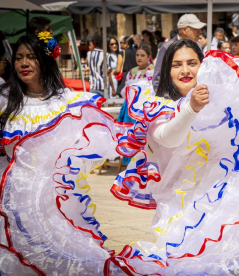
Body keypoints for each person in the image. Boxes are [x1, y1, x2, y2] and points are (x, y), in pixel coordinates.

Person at [109, 38, 239, 275]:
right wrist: (191, 108)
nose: (185, 70)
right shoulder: (155, 104)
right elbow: (167, 137)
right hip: (177, 205)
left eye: (192, 63)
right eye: (176, 64)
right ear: (166, 70)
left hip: (221, 197)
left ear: (203, 66)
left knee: (222, 261)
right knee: (180, 262)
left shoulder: (222, 101)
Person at [0, 34, 125, 275]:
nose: (24, 63)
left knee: (63, 258)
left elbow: (96, 133)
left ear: (46, 60)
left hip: (58, 197)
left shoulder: (65, 101)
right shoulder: (5, 99)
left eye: (31, 57)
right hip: (14, 197)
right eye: (19, 58)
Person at [153, 13, 206, 93]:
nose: (200, 32)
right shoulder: (167, 46)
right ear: (184, 30)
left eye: (192, 63)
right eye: (196, 29)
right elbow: (158, 76)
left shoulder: (198, 45)